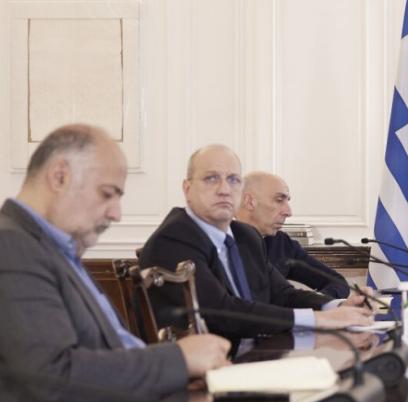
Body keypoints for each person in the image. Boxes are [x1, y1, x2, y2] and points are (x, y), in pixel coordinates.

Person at [0, 124, 230, 402]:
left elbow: (111, 351)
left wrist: (177, 374)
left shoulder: (56, 248)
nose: (116, 214)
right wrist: (179, 360)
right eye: (108, 194)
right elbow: (53, 375)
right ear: (60, 177)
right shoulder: (11, 245)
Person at [139, 145, 372, 338]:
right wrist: (320, 319)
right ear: (187, 189)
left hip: (257, 356)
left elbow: (283, 295)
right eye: (211, 178)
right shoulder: (173, 238)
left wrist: (336, 306)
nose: (224, 189)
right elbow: (222, 312)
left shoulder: (246, 236)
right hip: (209, 370)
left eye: (233, 180)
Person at [235, 171, 349, 298]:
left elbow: (337, 283)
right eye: (279, 200)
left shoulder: (282, 243)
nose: (288, 212)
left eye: (287, 201)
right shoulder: (220, 242)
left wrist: (317, 303)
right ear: (250, 202)